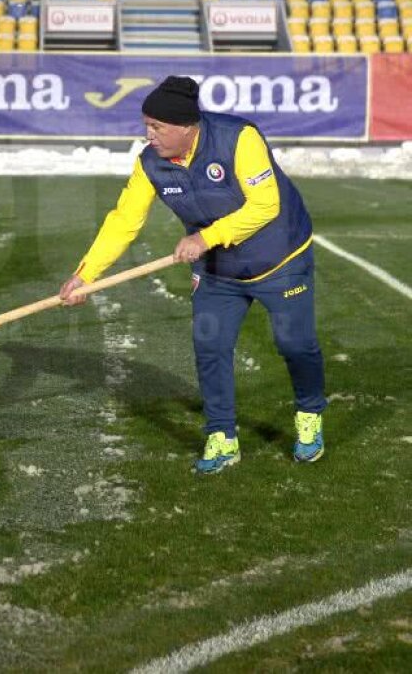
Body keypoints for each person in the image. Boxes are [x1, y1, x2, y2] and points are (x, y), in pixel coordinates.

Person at [58, 75, 326, 474]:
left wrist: (205, 237)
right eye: (146, 125)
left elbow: (265, 205)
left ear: (188, 127)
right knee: (210, 346)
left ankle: (309, 414)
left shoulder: (239, 138)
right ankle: (222, 435)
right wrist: (87, 274)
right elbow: (124, 221)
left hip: (281, 259)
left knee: (295, 344)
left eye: (157, 127)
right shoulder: (150, 162)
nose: (149, 135)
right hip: (217, 270)